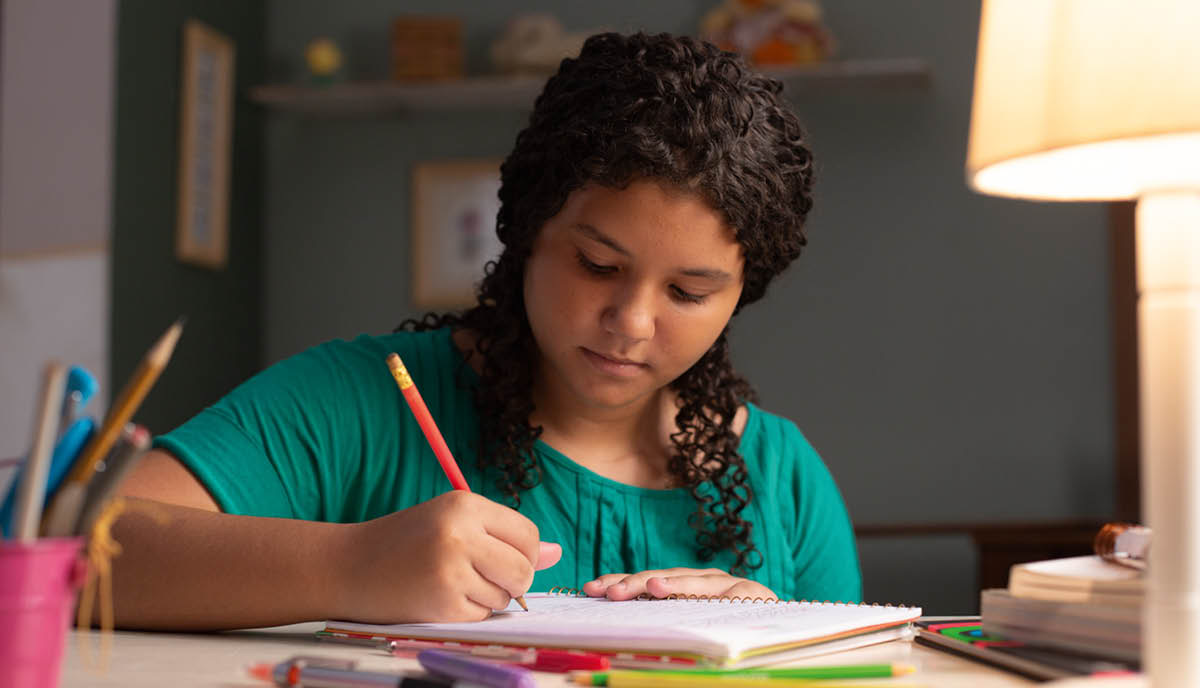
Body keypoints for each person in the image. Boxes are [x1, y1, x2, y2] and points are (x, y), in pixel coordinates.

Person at [111, 31, 861, 631]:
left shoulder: (783, 479)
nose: (631, 322)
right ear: (529, 231)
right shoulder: (362, 402)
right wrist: (350, 567)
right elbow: (82, 550)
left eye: (689, 291)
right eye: (598, 264)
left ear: (738, 296)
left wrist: (776, 642)